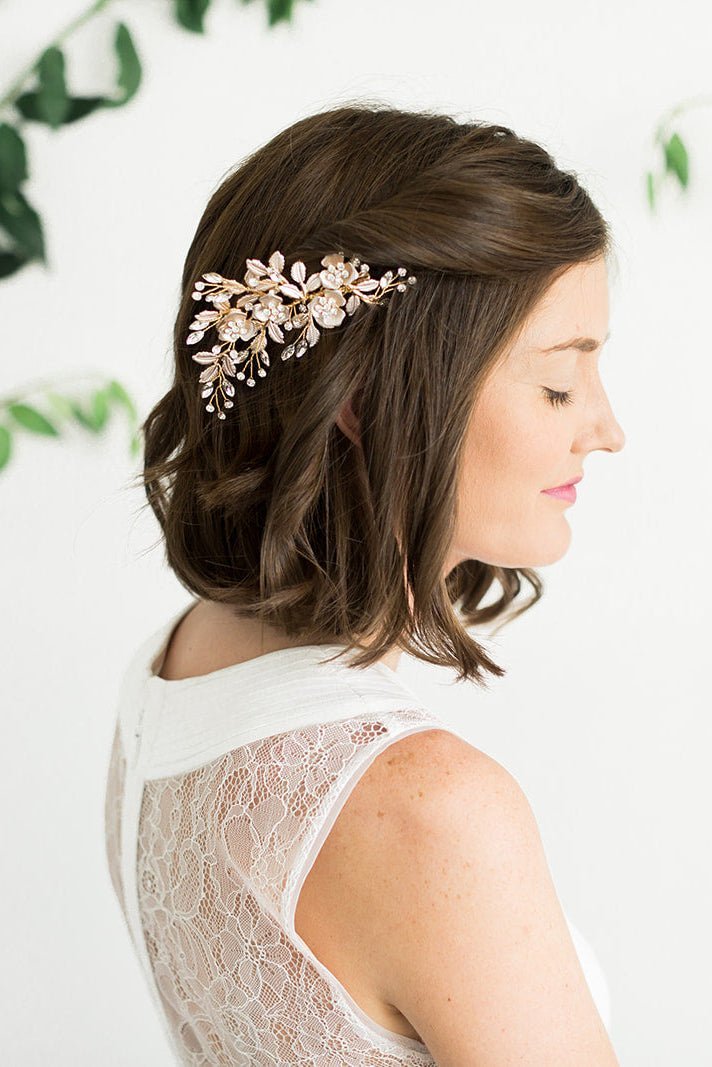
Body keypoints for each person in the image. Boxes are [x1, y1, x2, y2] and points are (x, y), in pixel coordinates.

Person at [104, 102, 625, 1065]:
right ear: (363, 395)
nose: (604, 427)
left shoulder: (177, 669)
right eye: (559, 382)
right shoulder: (433, 811)